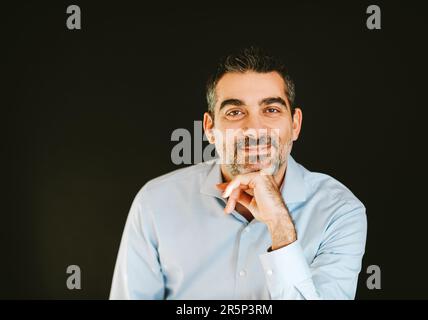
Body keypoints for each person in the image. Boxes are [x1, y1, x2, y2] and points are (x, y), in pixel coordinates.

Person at [110, 46, 367, 300]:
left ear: (295, 124)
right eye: (235, 112)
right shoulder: (155, 202)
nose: (254, 129)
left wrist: (280, 226)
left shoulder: (340, 212)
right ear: (210, 129)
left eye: (271, 110)